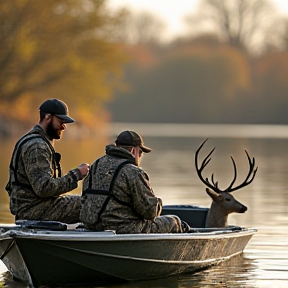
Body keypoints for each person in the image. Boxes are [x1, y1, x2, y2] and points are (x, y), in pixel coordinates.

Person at [80, 130, 190, 233]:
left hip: (92, 226)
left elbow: (84, 197)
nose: (140, 157)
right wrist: (158, 203)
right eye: (140, 153)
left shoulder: (96, 165)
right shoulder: (133, 172)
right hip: (123, 228)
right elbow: (150, 212)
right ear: (133, 150)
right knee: (174, 221)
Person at [5, 98, 90, 224]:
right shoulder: (37, 146)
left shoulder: (35, 140)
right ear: (48, 117)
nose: (64, 126)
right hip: (33, 210)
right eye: (61, 121)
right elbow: (44, 188)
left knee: (85, 201)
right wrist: (76, 174)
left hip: (34, 206)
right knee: (90, 204)